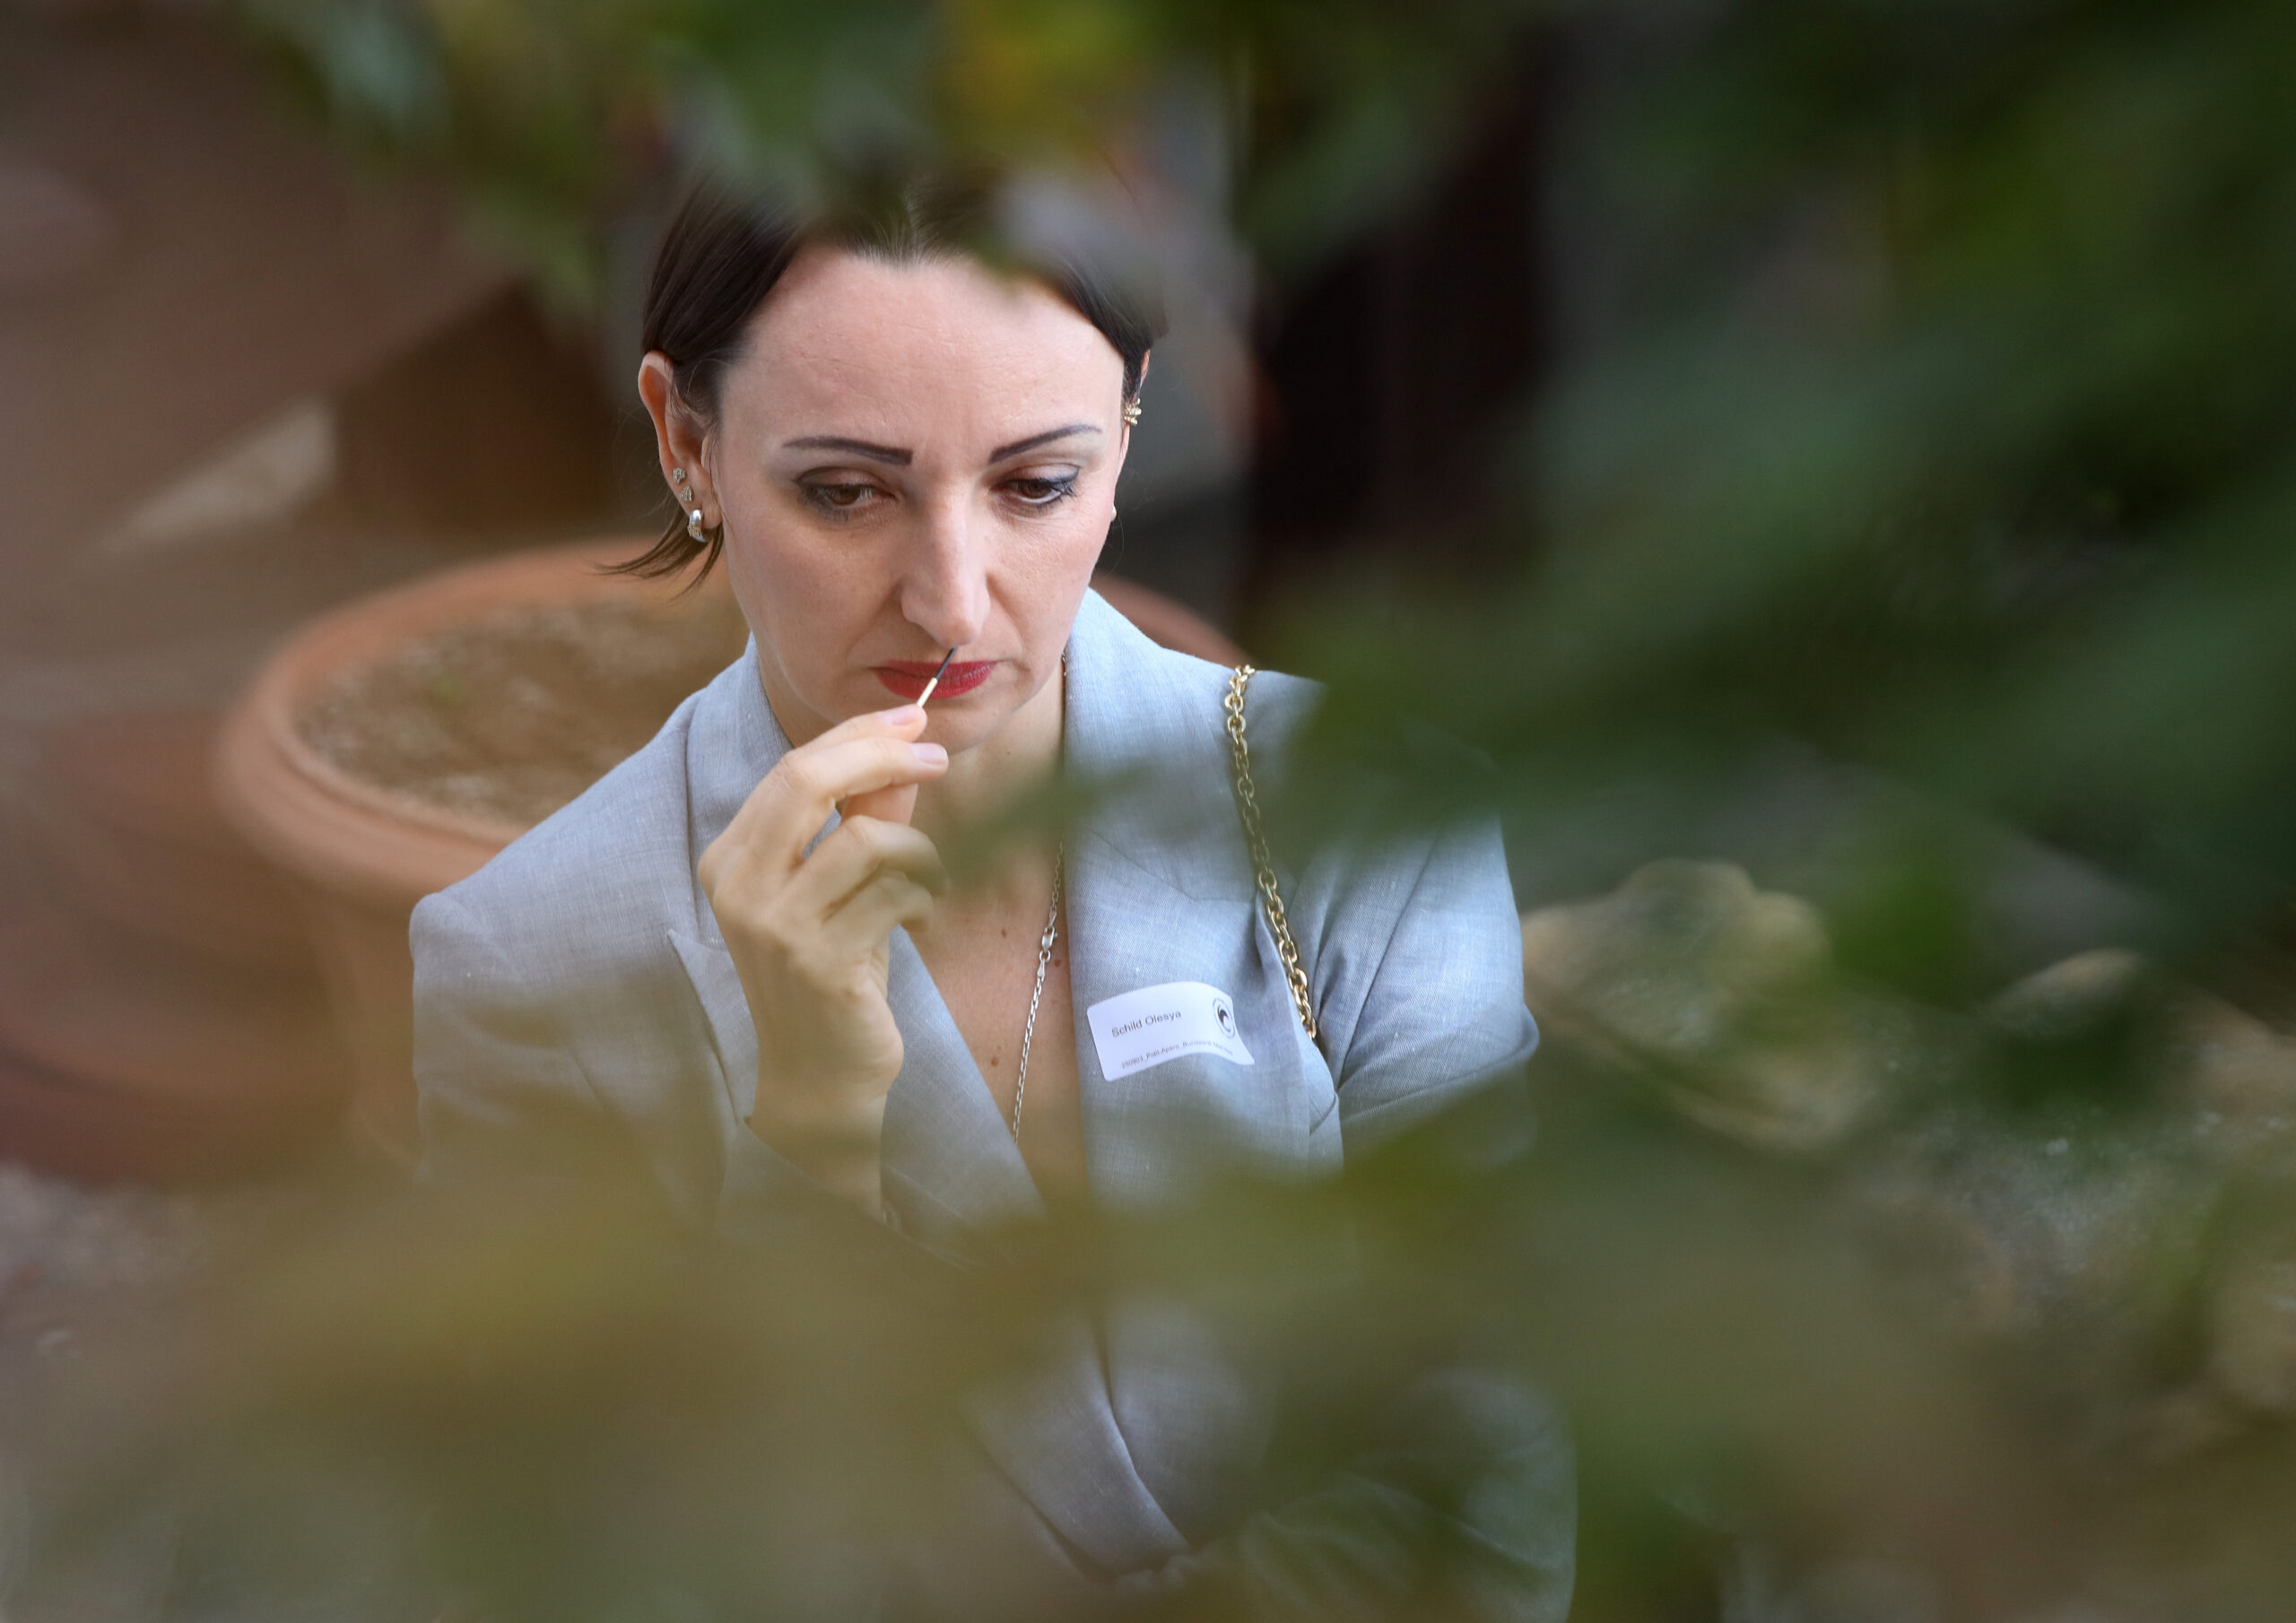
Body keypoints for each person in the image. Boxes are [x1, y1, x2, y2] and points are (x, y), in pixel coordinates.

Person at [411, 171, 1571, 1617]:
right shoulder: (526, 960)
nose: (951, 600)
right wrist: (809, 1131)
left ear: (1128, 427)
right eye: (846, 492)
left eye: (1034, 485)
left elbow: (1479, 1503)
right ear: (685, 440)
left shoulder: (1364, 814)